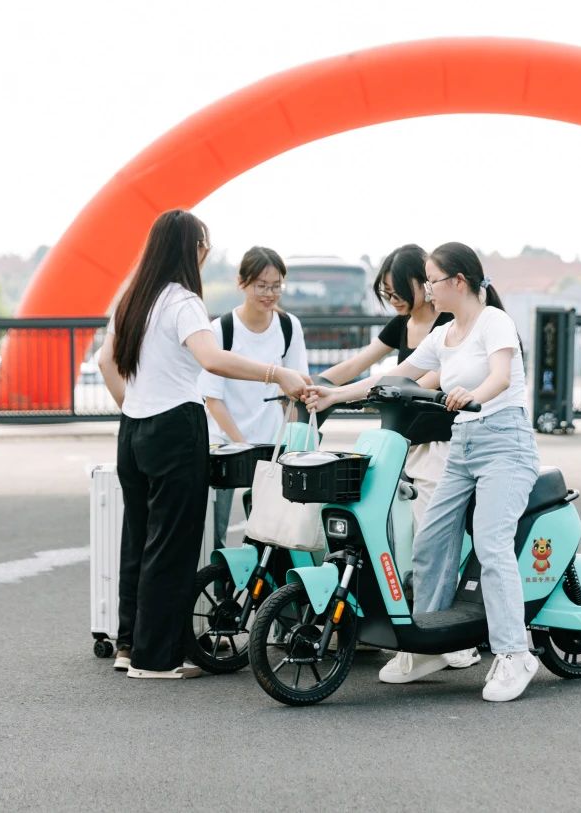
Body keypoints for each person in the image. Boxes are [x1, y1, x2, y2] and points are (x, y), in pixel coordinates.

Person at [306, 242, 540, 703]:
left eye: (433, 281)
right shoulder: (444, 334)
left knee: (491, 542)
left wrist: (471, 395)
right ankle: (430, 648)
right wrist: (334, 395)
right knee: (431, 541)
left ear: (458, 281)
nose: (428, 289)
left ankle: (515, 652)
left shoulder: (494, 321)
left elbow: (500, 376)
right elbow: (394, 377)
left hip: (505, 444)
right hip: (464, 445)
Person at [96, 209, 310, 680]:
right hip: (175, 427)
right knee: (171, 546)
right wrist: (277, 373)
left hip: (133, 430)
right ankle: (156, 660)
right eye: (203, 243)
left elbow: (104, 361)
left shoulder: (132, 298)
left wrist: (134, 405)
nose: (206, 252)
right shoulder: (183, 301)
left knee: (139, 540)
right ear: (189, 249)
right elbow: (211, 359)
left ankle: (130, 645)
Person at [318, 244, 477, 669]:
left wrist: (362, 393)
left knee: (432, 538)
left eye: (398, 290)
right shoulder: (401, 325)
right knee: (394, 534)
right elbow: (361, 365)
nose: (393, 299)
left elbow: (421, 380)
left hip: (440, 445)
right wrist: (317, 386)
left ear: (425, 283)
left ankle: (450, 634)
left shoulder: (447, 324)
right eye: (386, 292)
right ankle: (408, 619)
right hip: (403, 444)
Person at [199, 246, 309, 549]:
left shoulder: (288, 326)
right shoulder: (221, 329)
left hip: (271, 444)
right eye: (261, 285)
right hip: (224, 443)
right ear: (242, 283)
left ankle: (261, 577)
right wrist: (241, 446)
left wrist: (293, 441)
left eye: (276, 286)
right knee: (215, 531)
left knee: (271, 531)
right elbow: (212, 398)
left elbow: (294, 392)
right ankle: (219, 576)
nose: (269, 294)